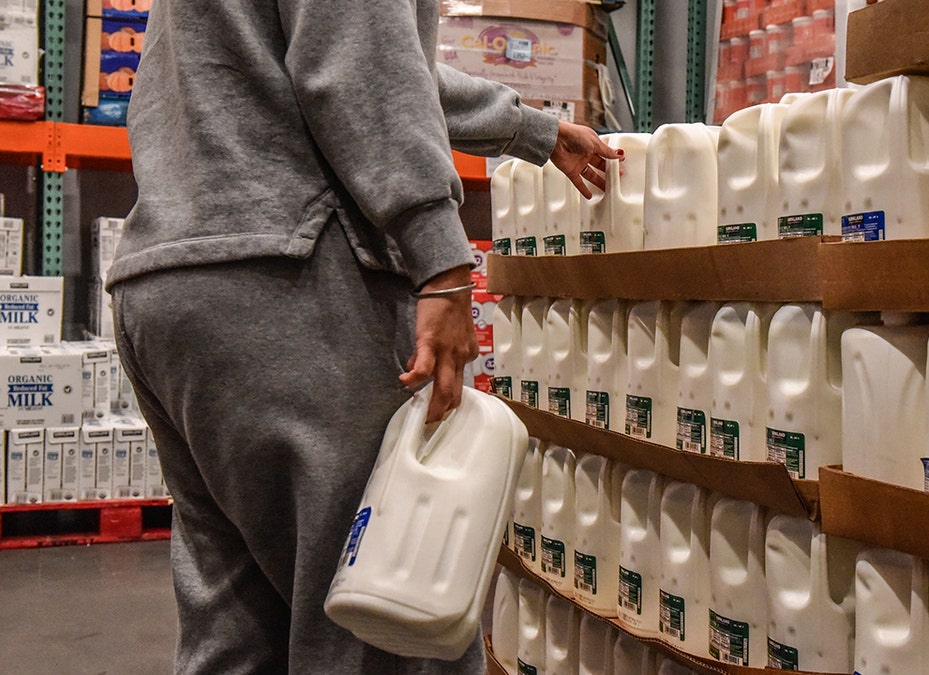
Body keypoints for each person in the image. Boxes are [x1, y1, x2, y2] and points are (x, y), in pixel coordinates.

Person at [106, 0, 620, 672]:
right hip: (287, 278)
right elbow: (356, 68)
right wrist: (441, 262)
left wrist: (534, 130)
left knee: (236, 627)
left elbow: (369, 58)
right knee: (383, 620)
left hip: (172, 284)